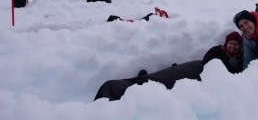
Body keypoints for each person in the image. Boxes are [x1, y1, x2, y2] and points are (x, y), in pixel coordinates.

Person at [94, 31, 243, 101]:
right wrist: (227, 64)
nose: (234, 46)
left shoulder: (239, 59)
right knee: (163, 78)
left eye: (236, 44)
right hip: (197, 68)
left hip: (200, 77)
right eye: (231, 43)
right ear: (226, 43)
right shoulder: (217, 50)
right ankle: (125, 88)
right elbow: (208, 61)